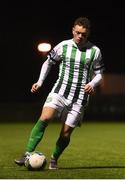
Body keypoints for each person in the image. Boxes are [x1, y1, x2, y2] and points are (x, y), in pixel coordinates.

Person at [15, 17, 104, 169]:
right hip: (60, 91)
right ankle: (27, 153)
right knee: (45, 117)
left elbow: (100, 73)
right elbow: (48, 62)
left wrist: (92, 83)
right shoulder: (63, 46)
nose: (80, 36)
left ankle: (54, 158)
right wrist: (40, 82)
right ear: (73, 30)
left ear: (88, 33)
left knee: (65, 134)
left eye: (83, 33)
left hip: (79, 97)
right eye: (77, 32)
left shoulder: (95, 51)